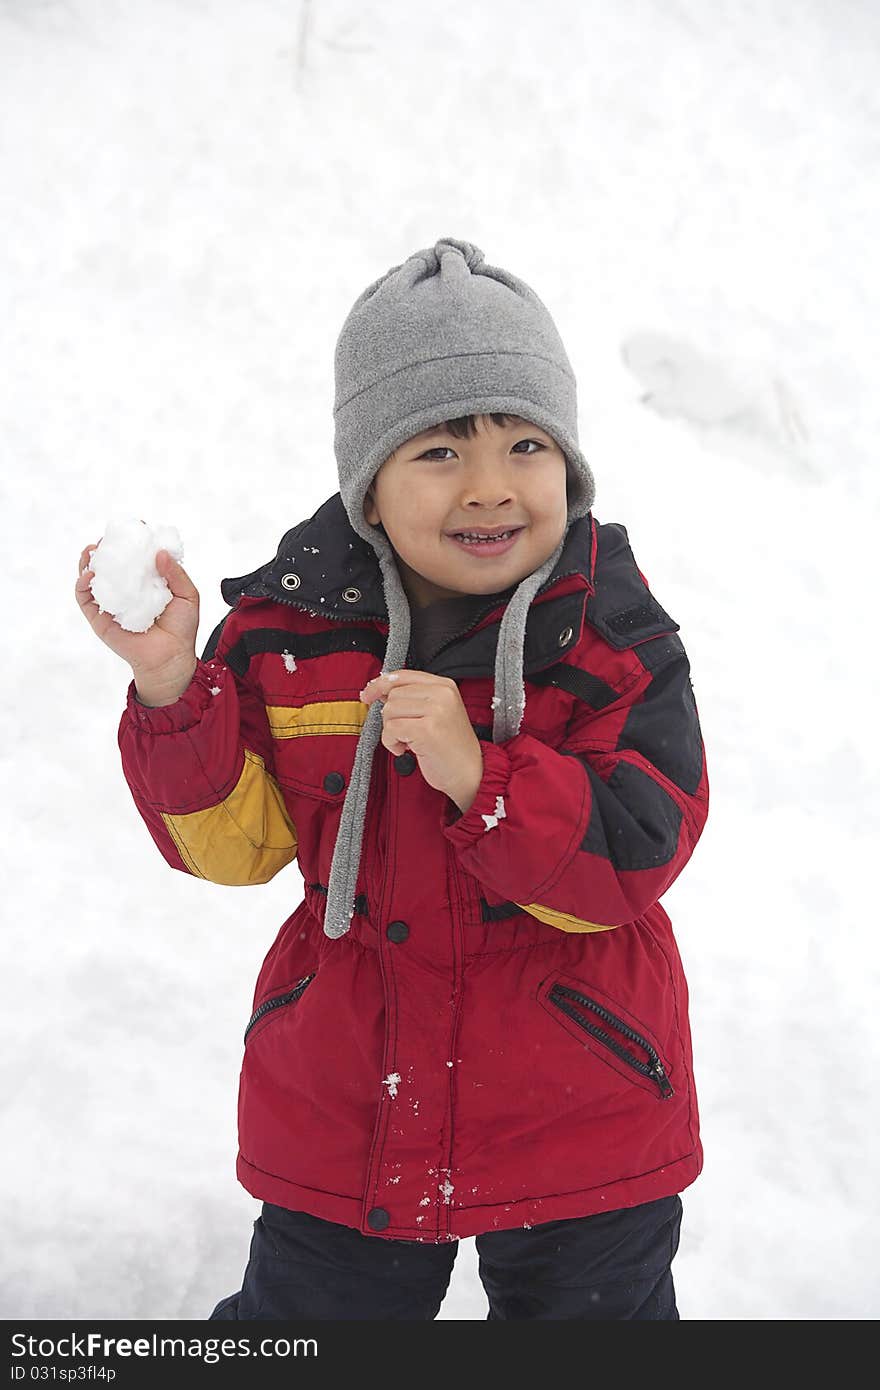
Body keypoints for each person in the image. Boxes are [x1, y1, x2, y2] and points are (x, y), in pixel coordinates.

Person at [75, 236, 709, 1321]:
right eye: (438, 451)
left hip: (583, 1097)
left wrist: (483, 774)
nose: (490, 488)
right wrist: (176, 684)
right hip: (346, 1094)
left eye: (524, 444)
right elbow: (235, 848)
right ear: (368, 476)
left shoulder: (613, 635)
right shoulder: (289, 633)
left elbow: (634, 855)